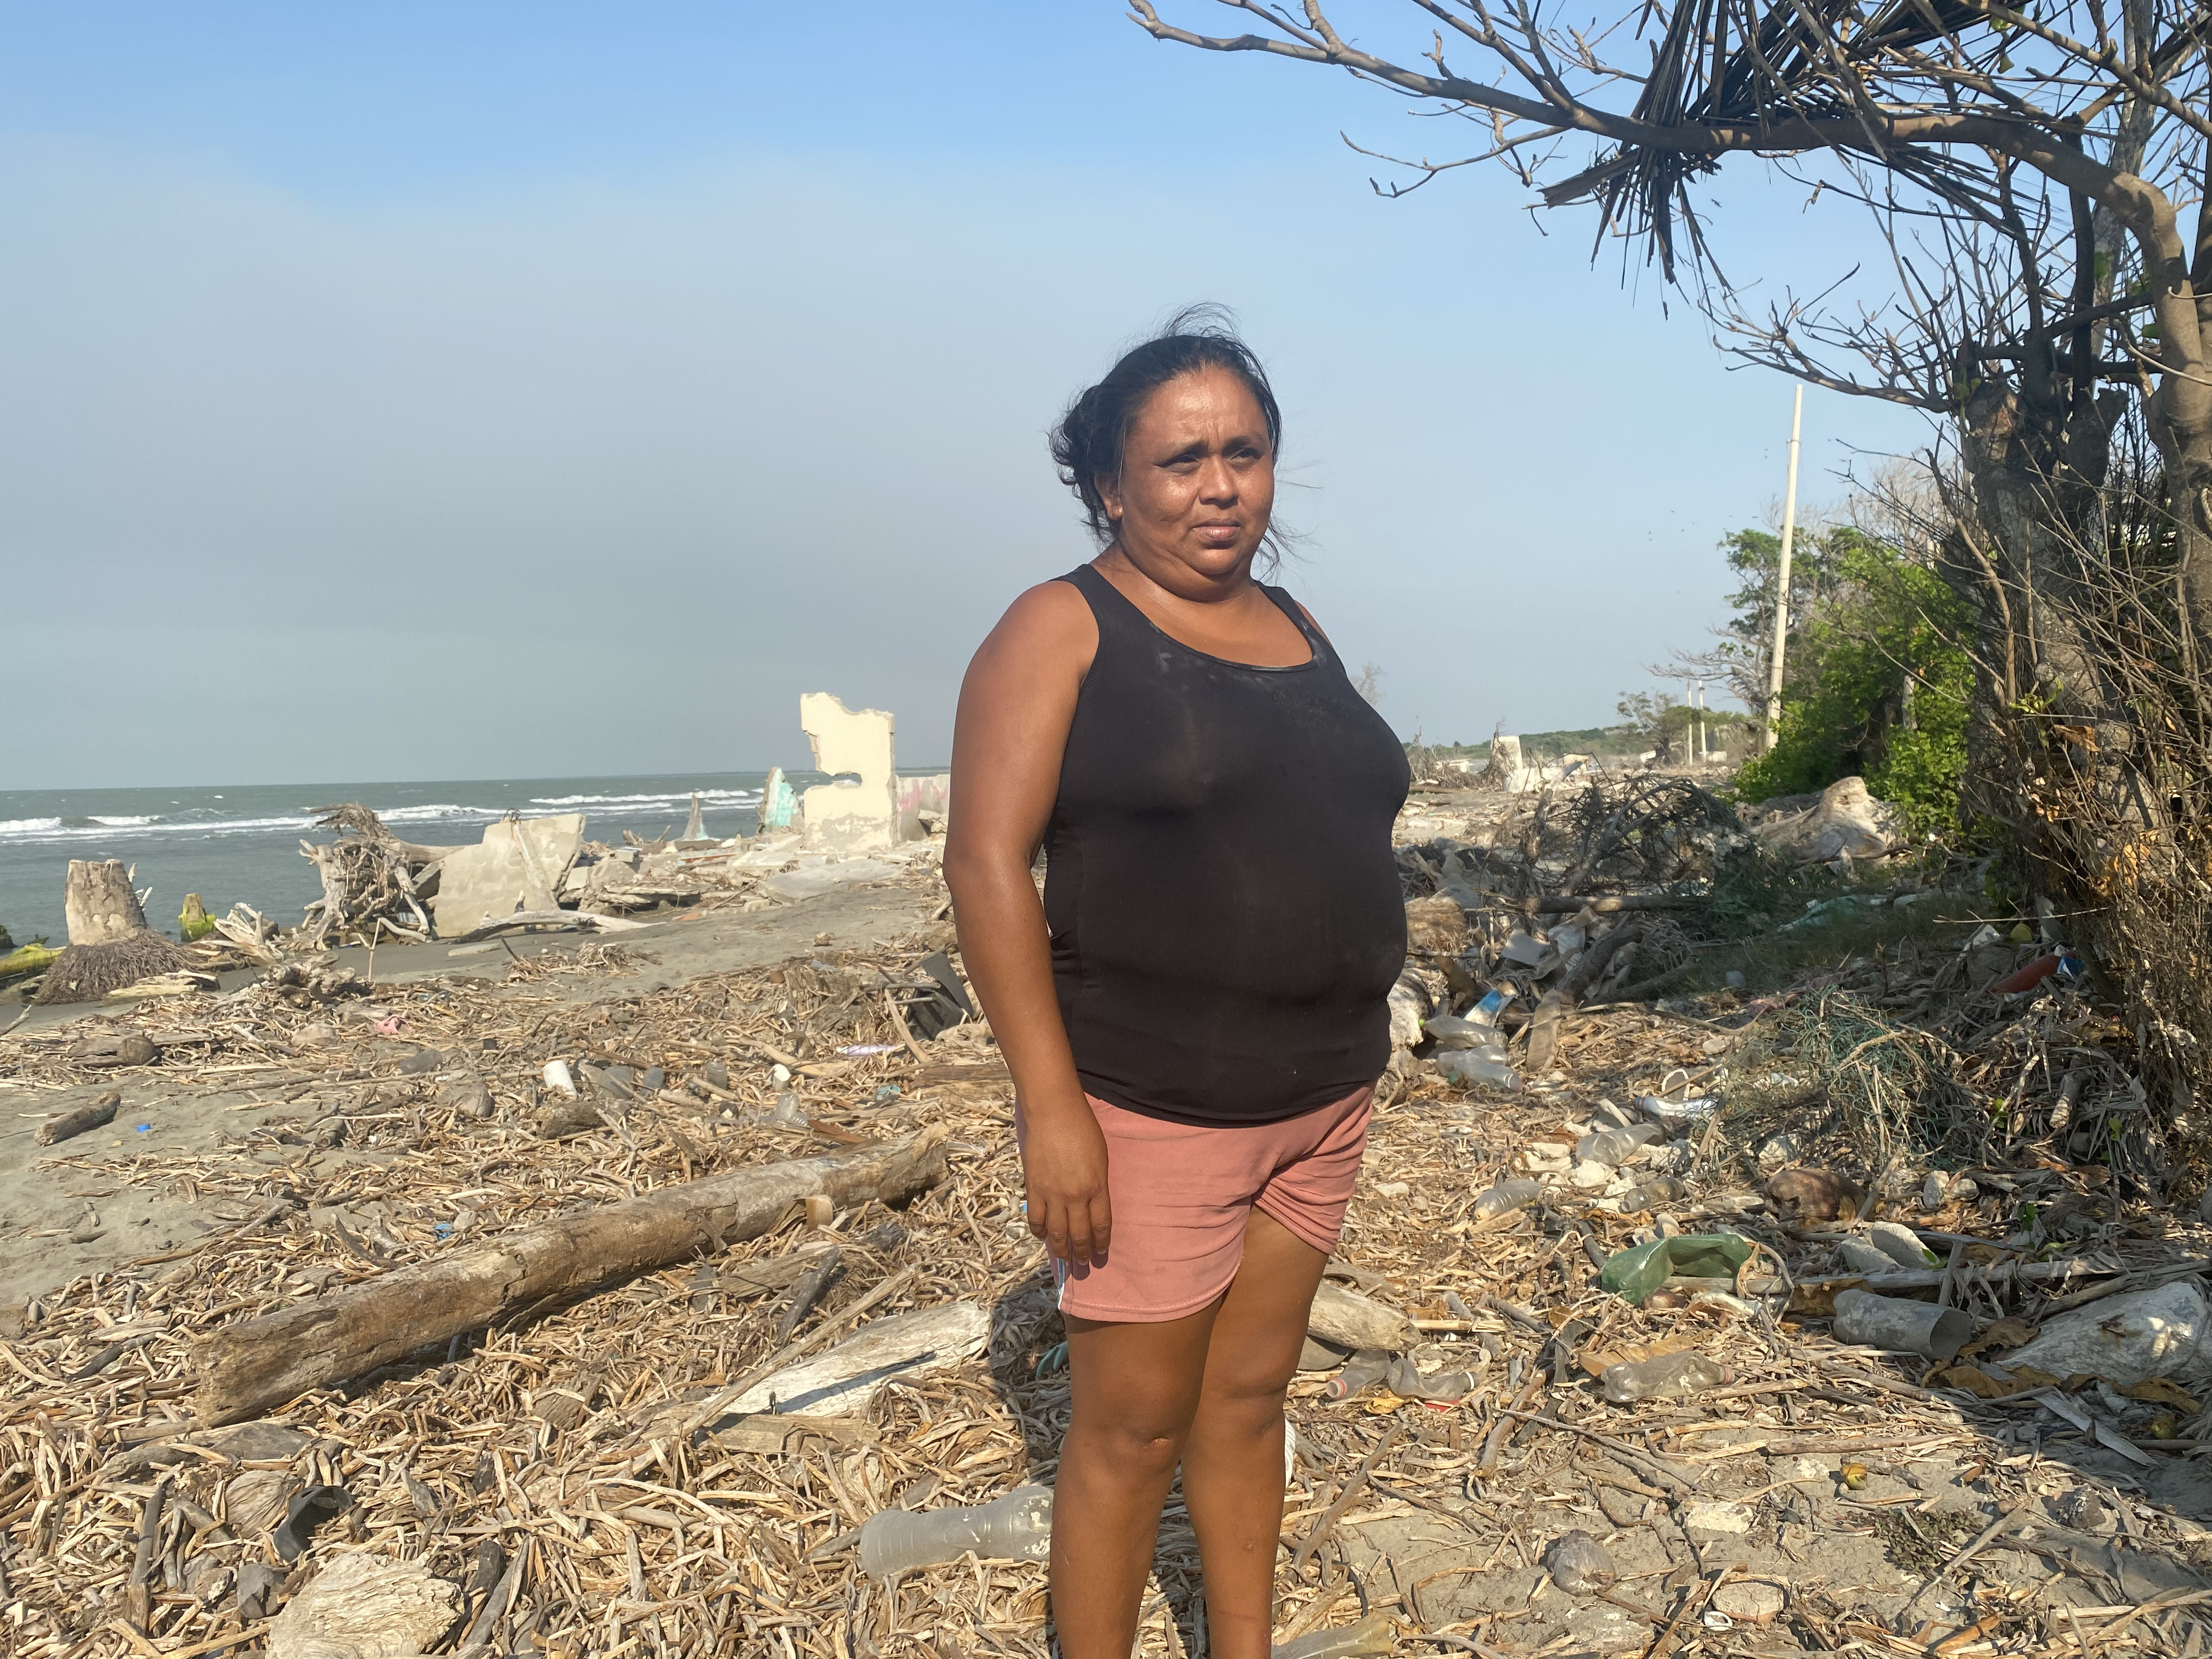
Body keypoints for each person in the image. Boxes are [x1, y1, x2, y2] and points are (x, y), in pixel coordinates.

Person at [944, 313, 1410, 1658]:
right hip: (1155, 1108)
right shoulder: (1061, 627)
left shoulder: (1297, 623)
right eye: (1180, 461)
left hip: (1324, 1097)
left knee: (1250, 1399)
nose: (1220, 487)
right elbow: (984, 864)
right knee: (1131, 1433)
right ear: (1110, 484)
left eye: (1244, 454)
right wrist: (1052, 1108)